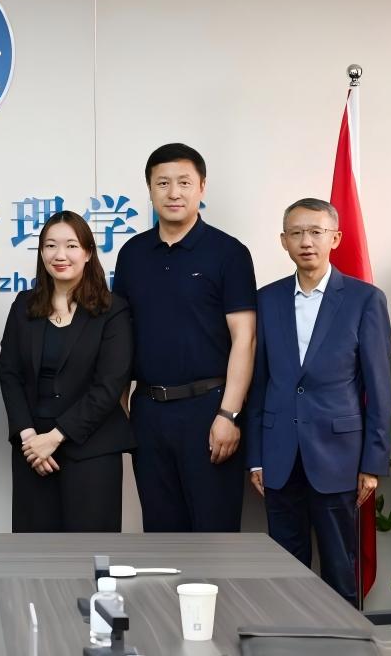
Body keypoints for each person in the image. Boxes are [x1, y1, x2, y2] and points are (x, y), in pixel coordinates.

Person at [245, 198, 391, 606]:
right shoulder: (266, 299)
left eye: (316, 232)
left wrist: (372, 464)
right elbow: (259, 383)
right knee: (285, 573)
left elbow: (379, 388)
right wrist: (255, 457)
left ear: (335, 238)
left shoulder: (365, 299)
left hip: (339, 457)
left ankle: (345, 638)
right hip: (279, 455)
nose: (306, 241)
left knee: (340, 570)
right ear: (283, 241)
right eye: (296, 233)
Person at [112, 143, 257, 533]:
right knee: (160, 534)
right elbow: (120, 335)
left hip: (209, 410)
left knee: (214, 534)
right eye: (163, 183)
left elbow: (245, 339)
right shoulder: (132, 254)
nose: (173, 192)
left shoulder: (229, 253)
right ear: (149, 189)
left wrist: (229, 414)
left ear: (202, 187)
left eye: (184, 182)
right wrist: (122, 407)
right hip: (148, 412)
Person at [0, 211, 132, 532]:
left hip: (92, 450)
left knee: (91, 551)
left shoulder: (112, 309)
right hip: (34, 452)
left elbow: (109, 385)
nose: (60, 255)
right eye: (50, 246)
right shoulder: (24, 305)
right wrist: (30, 439)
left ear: (87, 253)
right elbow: (10, 374)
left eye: (71, 246)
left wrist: (56, 438)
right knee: (36, 552)